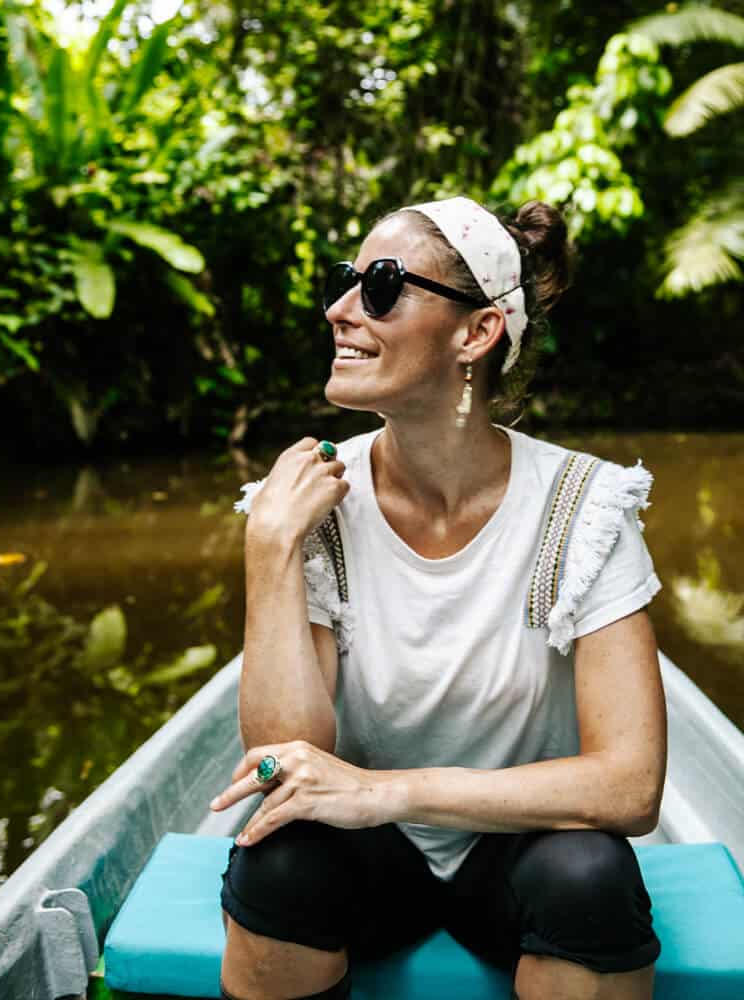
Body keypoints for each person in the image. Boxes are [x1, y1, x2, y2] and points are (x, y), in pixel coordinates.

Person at [210, 195, 667, 1000]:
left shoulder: (586, 506)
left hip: (515, 852)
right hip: (369, 860)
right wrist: (271, 548)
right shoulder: (310, 500)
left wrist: (389, 791)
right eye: (342, 281)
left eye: (381, 286)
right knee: (277, 854)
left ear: (477, 332)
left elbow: (629, 786)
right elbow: (284, 757)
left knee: (588, 872)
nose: (342, 309)